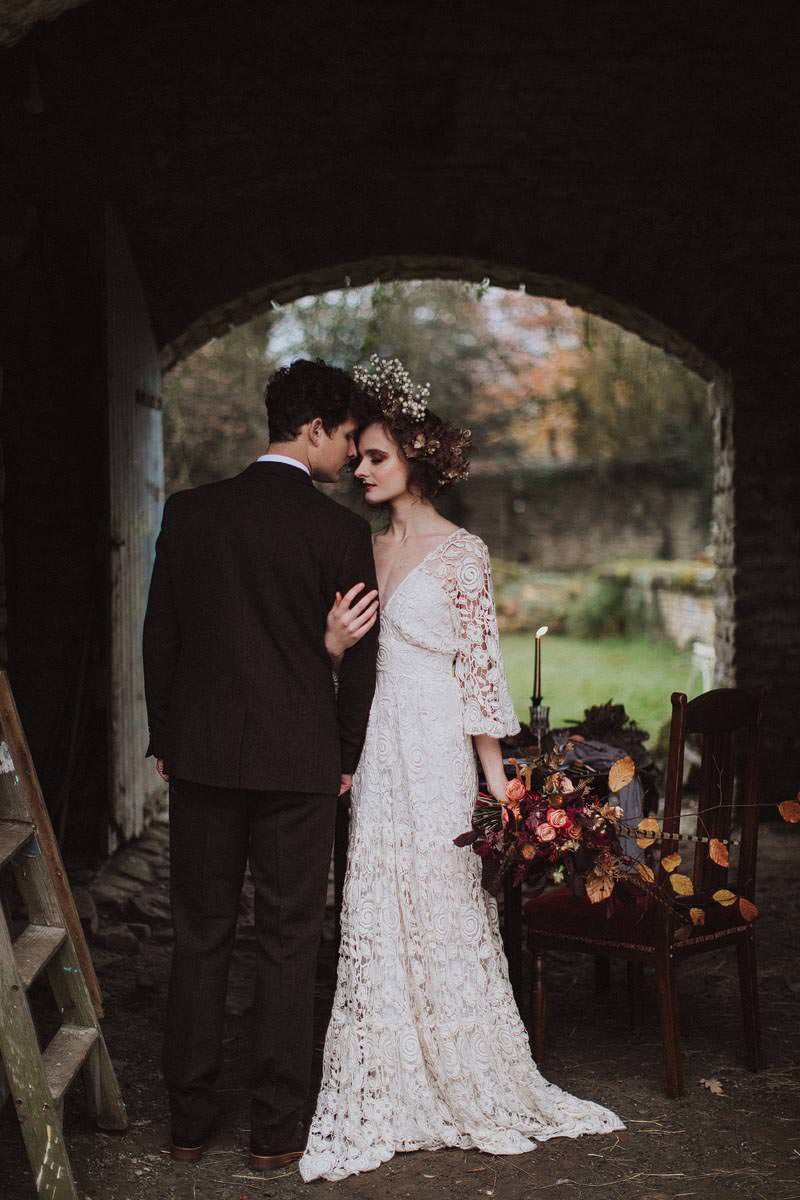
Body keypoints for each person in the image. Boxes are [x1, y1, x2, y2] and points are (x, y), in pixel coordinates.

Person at [301, 357, 624, 1182]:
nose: (361, 468)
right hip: (377, 747)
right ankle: (390, 1082)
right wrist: (333, 645)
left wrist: (497, 784)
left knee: (446, 905)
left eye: (375, 456)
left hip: (441, 744)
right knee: (376, 902)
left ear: (413, 455)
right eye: (358, 456)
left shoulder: (463, 553)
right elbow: (344, 667)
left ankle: (468, 1072)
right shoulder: (360, 547)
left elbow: (482, 671)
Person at [142, 359, 380, 1170]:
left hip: (204, 757)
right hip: (300, 761)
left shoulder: (190, 514)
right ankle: (278, 1133)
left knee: (200, 936)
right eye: (347, 437)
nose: (351, 455)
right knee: (287, 940)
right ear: (313, 428)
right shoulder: (339, 534)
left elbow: (160, 640)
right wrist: (345, 756)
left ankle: (187, 1122)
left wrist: (168, 740)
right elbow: (365, 659)